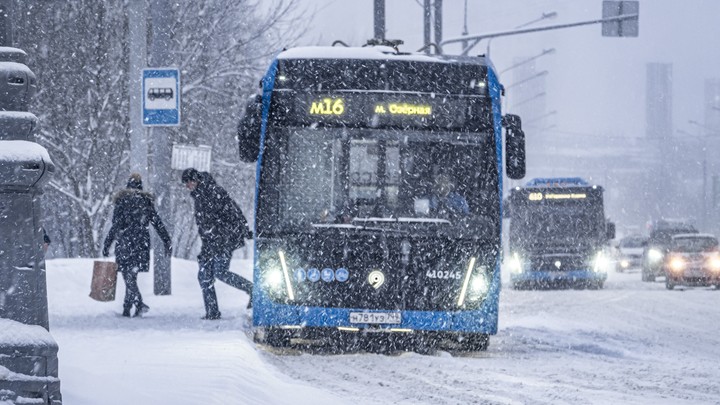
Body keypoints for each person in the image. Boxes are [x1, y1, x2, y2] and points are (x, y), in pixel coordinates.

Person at [181, 168, 253, 320]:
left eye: (188, 182)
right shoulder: (199, 195)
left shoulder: (213, 191)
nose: (187, 186)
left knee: (219, 271)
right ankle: (212, 311)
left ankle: (252, 289)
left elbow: (234, 210)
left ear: (195, 180)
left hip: (223, 240)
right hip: (210, 242)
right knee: (204, 275)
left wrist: (244, 230)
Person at [102, 173, 172, 317]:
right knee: (131, 275)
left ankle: (135, 304)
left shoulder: (122, 200)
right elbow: (157, 223)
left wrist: (107, 244)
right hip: (141, 243)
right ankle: (128, 308)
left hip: (125, 243)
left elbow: (116, 225)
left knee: (128, 276)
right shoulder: (145, 201)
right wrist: (166, 240)